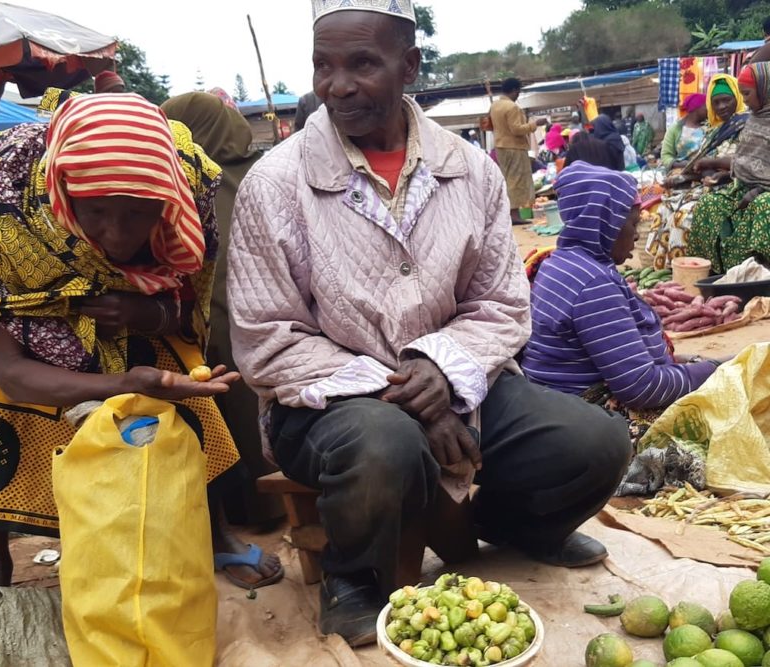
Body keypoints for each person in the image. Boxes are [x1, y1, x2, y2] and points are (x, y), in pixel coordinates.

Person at [228, 1, 632, 647]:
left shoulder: (470, 170)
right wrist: (400, 387)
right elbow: (267, 339)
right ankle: (352, 576)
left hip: (458, 382)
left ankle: (514, 526)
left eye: (362, 63)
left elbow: (502, 303)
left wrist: (441, 367)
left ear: (410, 66)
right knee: (385, 443)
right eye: (323, 66)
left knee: (600, 444)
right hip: (325, 402)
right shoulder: (275, 183)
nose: (337, 85)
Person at [0, 89, 283, 591]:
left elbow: (189, 306)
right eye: (94, 212)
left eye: (138, 214)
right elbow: (12, 373)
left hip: (129, 312)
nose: (116, 236)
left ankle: (214, 530)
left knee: (188, 391)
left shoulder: (191, 190)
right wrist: (119, 383)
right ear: (61, 191)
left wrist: (150, 310)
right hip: (27, 320)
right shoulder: (5, 215)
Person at [522, 161, 718, 440]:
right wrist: (709, 371)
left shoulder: (563, 263)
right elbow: (640, 386)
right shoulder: (592, 285)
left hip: (558, 407)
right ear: (605, 222)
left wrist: (696, 363)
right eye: (633, 223)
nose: (637, 234)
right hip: (588, 421)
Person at [160, 92, 284, 528]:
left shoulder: (192, 180)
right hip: (274, 321)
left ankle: (246, 510)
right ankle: (271, 504)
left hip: (221, 322)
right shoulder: (263, 173)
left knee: (229, 408)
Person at [646, 74, 749, 269]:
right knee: (666, 207)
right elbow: (699, 168)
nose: (721, 107)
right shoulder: (713, 131)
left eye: (727, 100)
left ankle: (692, 269)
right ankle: (669, 270)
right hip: (708, 187)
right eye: (716, 102)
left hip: (735, 187)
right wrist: (678, 179)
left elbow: (747, 164)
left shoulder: (747, 126)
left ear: (738, 97)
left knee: (682, 216)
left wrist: (720, 173)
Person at [689, 63, 770, 273]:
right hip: (745, 188)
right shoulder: (755, 119)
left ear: (765, 89)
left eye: (747, 93)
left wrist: (759, 190)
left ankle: (759, 275)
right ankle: (715, 273)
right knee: (708, 203)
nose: (745, 100)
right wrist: (721, 172)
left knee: (763, 206)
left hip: (765, 195)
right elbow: (746, 161)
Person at [490, 77, 548, 224]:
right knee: (517, 181)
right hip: (514, 146)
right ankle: (514, 214)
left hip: (501, 146)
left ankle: (512, 213)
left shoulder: (495, 105)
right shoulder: (512, 107)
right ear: (515, 90)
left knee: (509, 179)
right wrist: (535, 124)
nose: (518, 95)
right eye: (518, 92)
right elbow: (516, 129)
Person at [661, 93, 708, 168]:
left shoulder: (709, 127)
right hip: (681, 171)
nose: (709, 109)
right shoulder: (675, 129)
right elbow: (666, 156)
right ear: (696, 108)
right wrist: (684, 165)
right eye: (706, 106)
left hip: (706, 172)